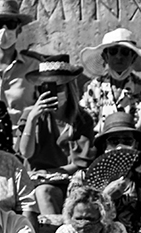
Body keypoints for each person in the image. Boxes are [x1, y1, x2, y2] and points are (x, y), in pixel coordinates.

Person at [17, 55, 94, 215]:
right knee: (41, 193)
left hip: (70, 181)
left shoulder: (82, 118)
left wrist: (51, 174)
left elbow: (80, 163)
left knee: (48, 192)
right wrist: (32, 119)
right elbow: (25, 152)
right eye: (47, 87)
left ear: (68, 88)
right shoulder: (30, 115)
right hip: (35, 181)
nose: (53, 92)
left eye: (58, 87)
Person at [86, 111, 141, 233]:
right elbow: (77, 218)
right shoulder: (83, 178)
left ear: (135, 145)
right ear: (104, 146)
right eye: (114, 141)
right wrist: (106, 196)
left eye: (127, 141)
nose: (120, 146)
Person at [79, 28, 141, 140]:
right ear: (105, 57)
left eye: (125, 52)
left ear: (133, 57)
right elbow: (87, 126)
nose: (119, 57)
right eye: (113, 51)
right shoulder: (94, 88)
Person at [0, 0, 38, 130]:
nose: (4, 30)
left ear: (19, 29)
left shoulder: (34, 67)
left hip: (24, 141)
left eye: (11, 24)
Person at [50, 183, 129, 233]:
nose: (83, 223)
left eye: (89, 219)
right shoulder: (65, 230)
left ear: (103, 218)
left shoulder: (115, 228)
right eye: (78, 218)